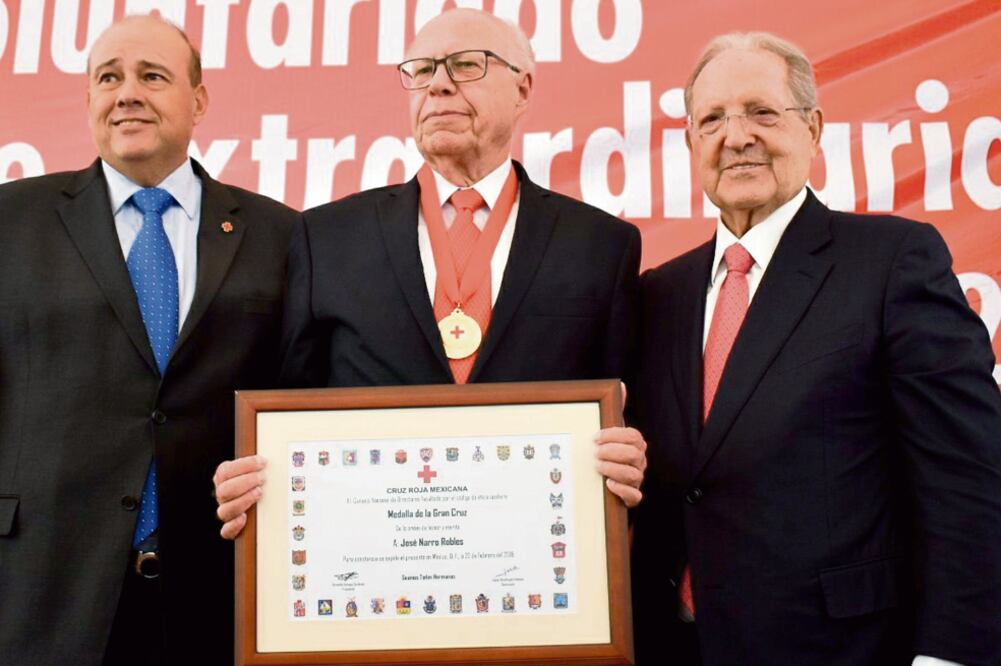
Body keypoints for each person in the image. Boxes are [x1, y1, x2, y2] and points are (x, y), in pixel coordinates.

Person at [628, 31, 1001, 666]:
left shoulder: (891, 262)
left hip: (846, 649)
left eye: (762, 111)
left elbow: (966, 475)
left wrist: (951, 654)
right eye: (712, 119)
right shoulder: (658, 294)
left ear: (814, 128)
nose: (736, 136)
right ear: (691, 143)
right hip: (679, 647)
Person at [214, 8, 646, 538]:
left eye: (466, 65)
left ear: (523, 89)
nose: (438, 84)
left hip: (533, 558)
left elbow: (624, 418)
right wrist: (258, 476)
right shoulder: (326, 238)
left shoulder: (601, 246)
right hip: (372, 556)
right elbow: (289, 413)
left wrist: (629, 457)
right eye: (421, 70)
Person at [0, 15, 297, 666]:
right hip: (43, 588)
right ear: (89, 99)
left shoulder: (281, 235)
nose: (127, 93)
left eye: (152, 76)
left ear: (199, 99)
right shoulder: (10, 221)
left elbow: (302, 398)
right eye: (109, 78)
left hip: (221, 590)